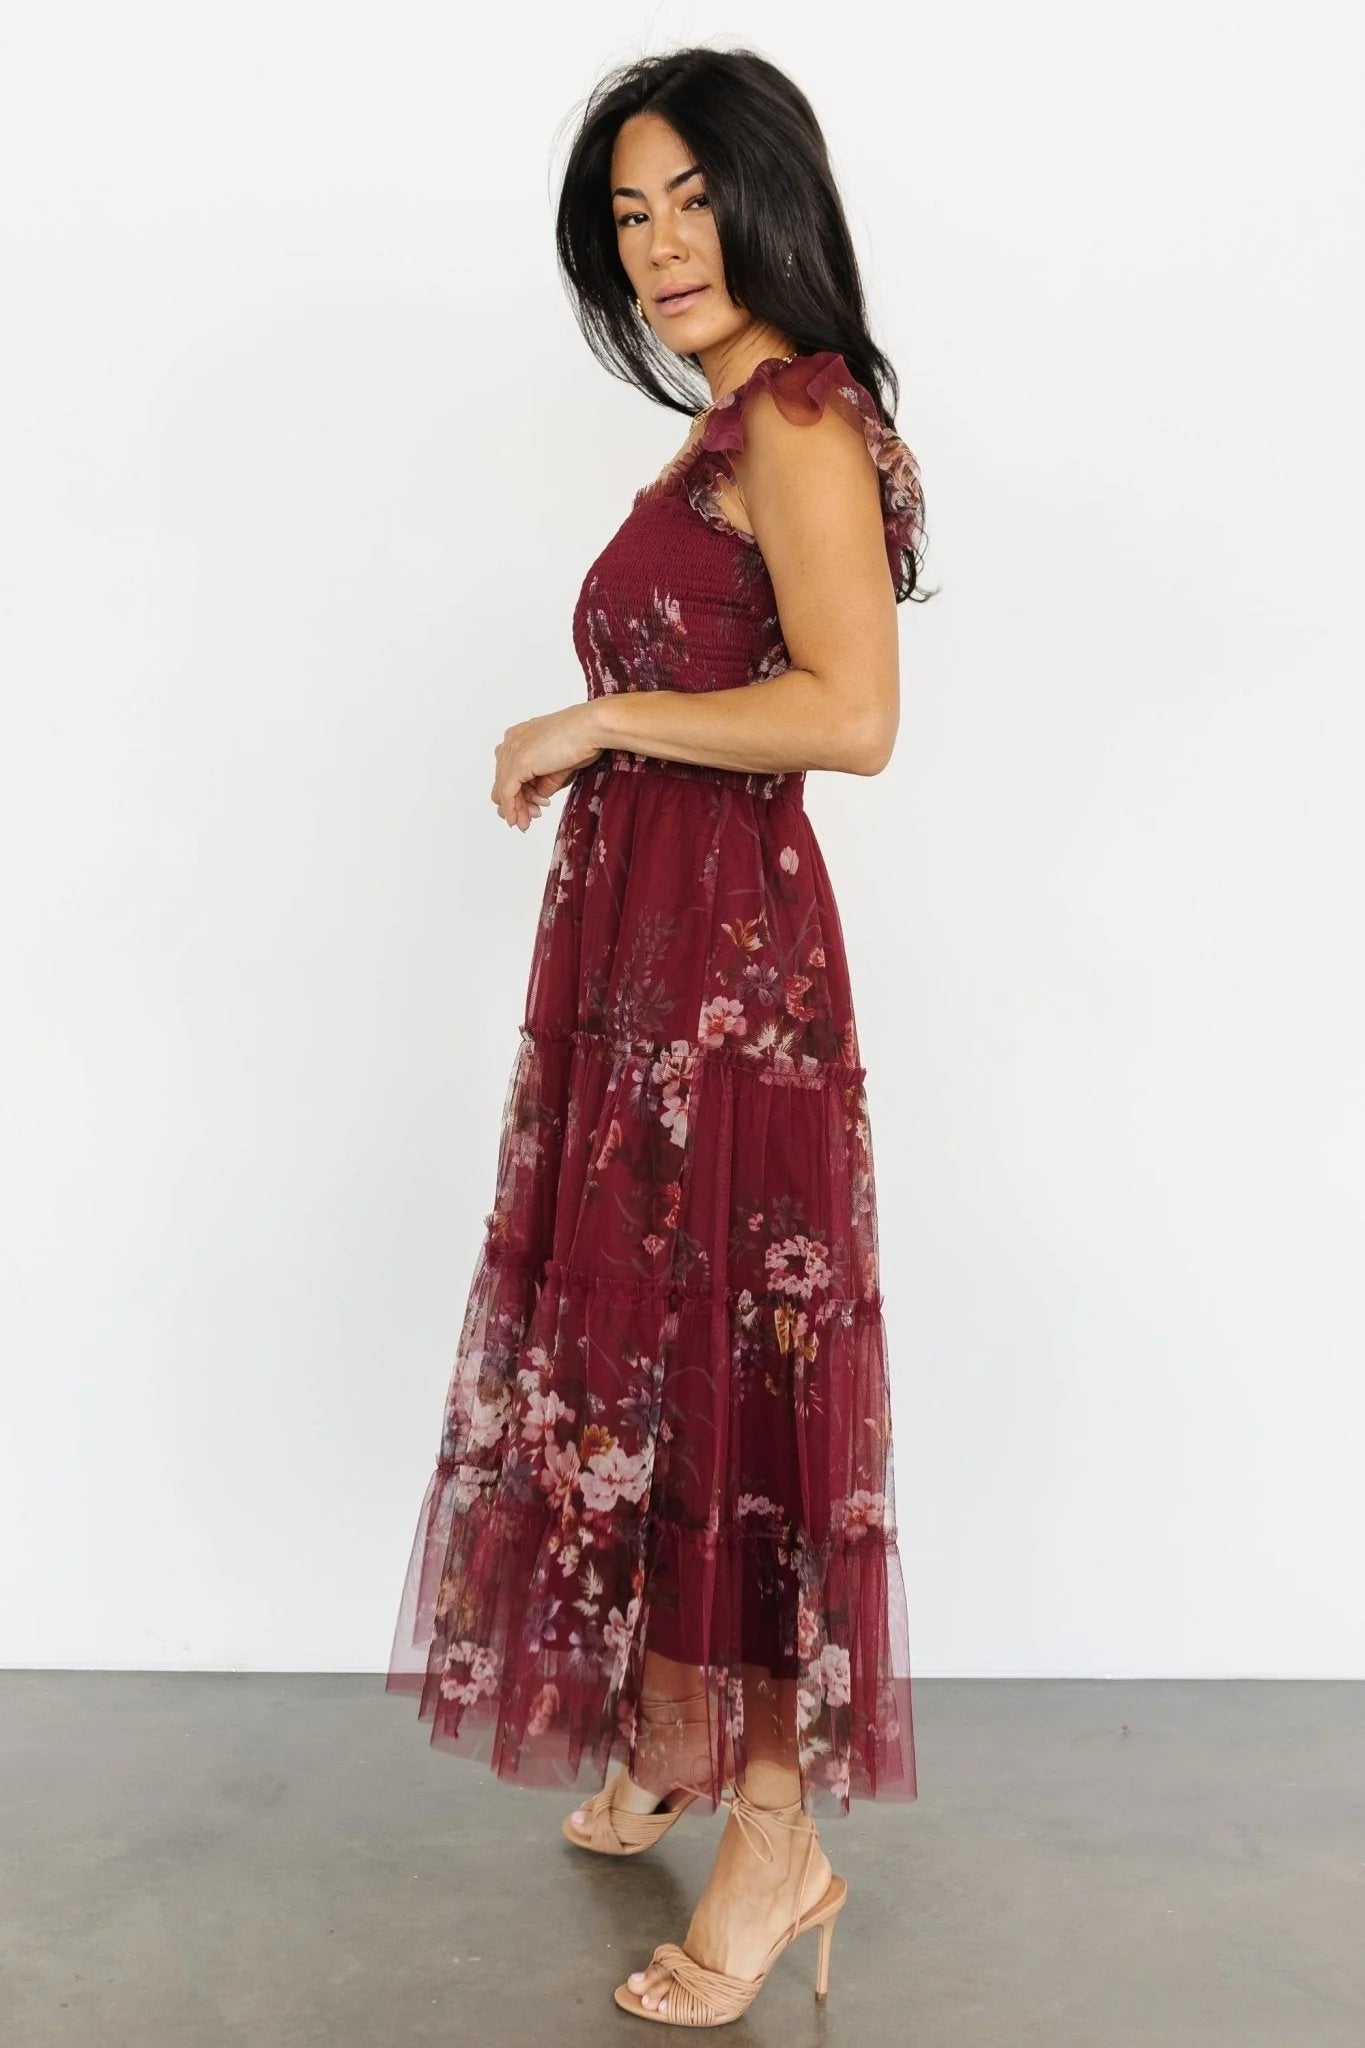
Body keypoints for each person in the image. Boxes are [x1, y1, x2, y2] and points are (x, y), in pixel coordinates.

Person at [387, 43, 933, 2026]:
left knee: (728, 1382)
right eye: (628, 215)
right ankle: (676, 1731)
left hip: (726, 987)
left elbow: (848, 715)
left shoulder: (792, 414)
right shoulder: (723, 426)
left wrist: (600, 716)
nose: (660, 244)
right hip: (652, 967)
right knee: (648, 1355)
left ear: (769, 198)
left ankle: (776, 1839)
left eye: (692, 197)